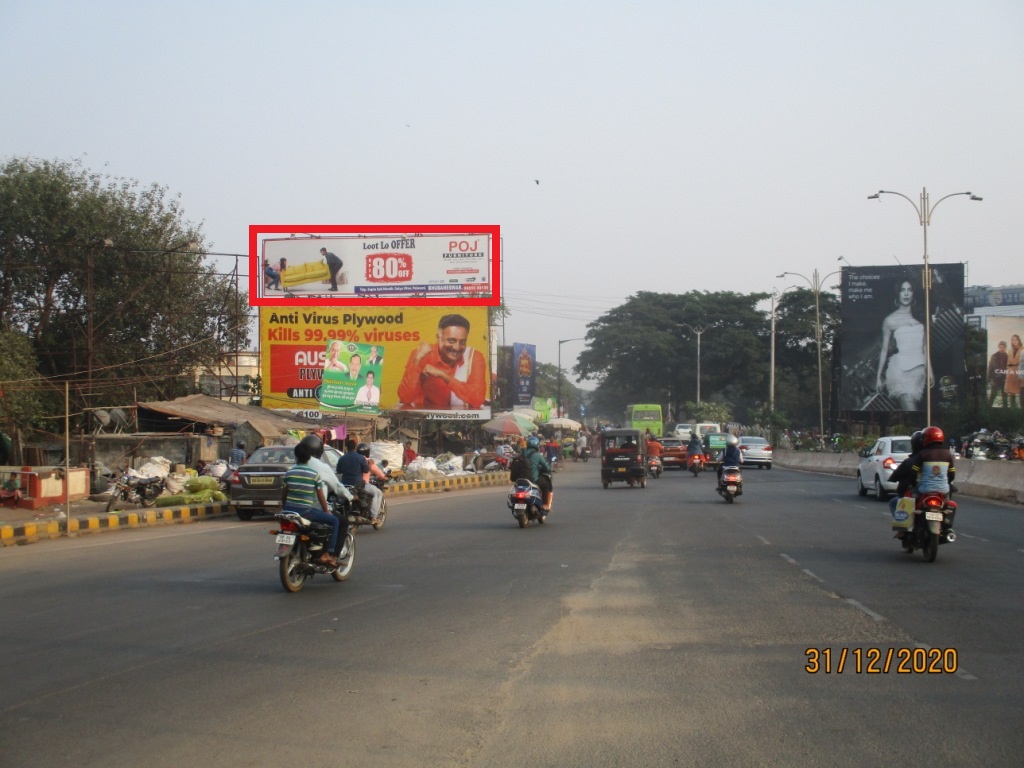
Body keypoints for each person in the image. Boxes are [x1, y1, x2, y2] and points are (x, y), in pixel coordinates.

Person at [397, 313, 487, 409]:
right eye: (451, 341)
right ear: (438, 337)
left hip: (461, 420)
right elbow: (405, 398)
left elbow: (478, 400)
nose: (456, 348)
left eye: (462, 342)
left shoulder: (474, 357)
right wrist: (417, 360)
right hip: (426, 419)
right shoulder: (422, 355)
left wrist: (443, 376)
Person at [876, 278, 931, 411]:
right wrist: (878, 377)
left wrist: (930, 371)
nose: (906, 294)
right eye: (902, 290)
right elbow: (884, 350)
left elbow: (925, 348)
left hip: (919, 370)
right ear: (898, 293)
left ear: (913, 293)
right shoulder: (890, 320)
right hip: (900, 370)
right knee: (910, 407)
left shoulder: (921, 318)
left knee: (918, 410)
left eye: (909, 290)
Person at [281, 440, 338, 566]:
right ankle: (327, 553)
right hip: (306, 512)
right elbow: (321, 496)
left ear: (296, 456)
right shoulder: (314, 474)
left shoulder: (289, 473)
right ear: (309, 457)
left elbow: (284, 494)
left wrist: (284, 507)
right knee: (334, 521)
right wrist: (327, 511)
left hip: (289, 511)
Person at [298, 434, 354, 556]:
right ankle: (331, 554)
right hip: (313, 508)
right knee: (341, 521)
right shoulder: (321, 467)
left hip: (294, 509)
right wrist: (351, 497)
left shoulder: (294, 467)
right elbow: (337, 487)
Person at [357, 442, 386, 521]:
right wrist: (383, 476)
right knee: (376, 493)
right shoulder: (368, 461)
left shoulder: (354, 459)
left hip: (351, 483)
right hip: (363, 484)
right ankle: (374, 516)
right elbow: (379, 473)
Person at [523, 435, 553, 511]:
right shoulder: (537, 455)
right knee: (546, 485)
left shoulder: (522, 453)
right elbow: (546, 467)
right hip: (533, 479)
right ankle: (545, 505)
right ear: (537, 445)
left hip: (520, 479)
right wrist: (550, 469)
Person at [987, 340, 1009, 408]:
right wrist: (990, 379)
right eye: (1000, 347)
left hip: (1004, 380)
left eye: (1003, 347)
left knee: (1005, 398)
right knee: (992, 397)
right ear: (998, 347)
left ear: (1005, 348)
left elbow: (1010, 369)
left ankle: (1006, 413)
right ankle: (989, 410)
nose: (1002, 348)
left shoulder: (1008, 357)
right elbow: (990, 368)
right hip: (995, 379)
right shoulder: (994, 356)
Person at [1003, 334, 1022, 409]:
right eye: (1013, 339)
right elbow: (1008, 363)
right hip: (1011, 373)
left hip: (1020, 372)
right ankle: (1012, 410)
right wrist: (1008, 371)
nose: (1014, 341)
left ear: (1019, 340)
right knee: (1011, 393)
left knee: (1021, 393)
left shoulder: (1022, 349)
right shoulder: (1010, 351)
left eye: (1016, 339)